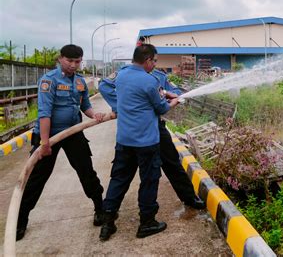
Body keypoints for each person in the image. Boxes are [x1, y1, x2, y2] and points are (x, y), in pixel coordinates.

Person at [16, 44, 106, 241]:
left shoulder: (81, 82)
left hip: (73, 133)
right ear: (60, 59)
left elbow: (86, 106)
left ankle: (101, 209)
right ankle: (20, 221)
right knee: (36, 179)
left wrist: (95, 114)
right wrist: (45, 143)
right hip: (48, 136)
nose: (74, 65)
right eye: (70, 61)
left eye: (77, 61)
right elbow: (44, 113)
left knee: (87, 172)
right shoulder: (49, 81)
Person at [99, 44, 179, 241]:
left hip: (124, 140)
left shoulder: (123, 75)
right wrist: (174, 100)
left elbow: (131, 94)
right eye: (154, 61)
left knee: (119, 179)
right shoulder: (149, 81)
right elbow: (161, 109)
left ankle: (107, 222)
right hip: (146, 142)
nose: (155, 65)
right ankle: (147, 223)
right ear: (148, 60)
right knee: (149, 180)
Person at [100, 68, 205, 211]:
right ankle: (108, 212)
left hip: (156, 126)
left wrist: (169, 96)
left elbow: (177, 92)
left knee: (172, 162)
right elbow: (104, 86)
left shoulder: (159, 76)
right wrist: (123, 105)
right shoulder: (124, 74)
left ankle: (189, 198)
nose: (153, 62)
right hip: (132, 128)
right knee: (124, 174)